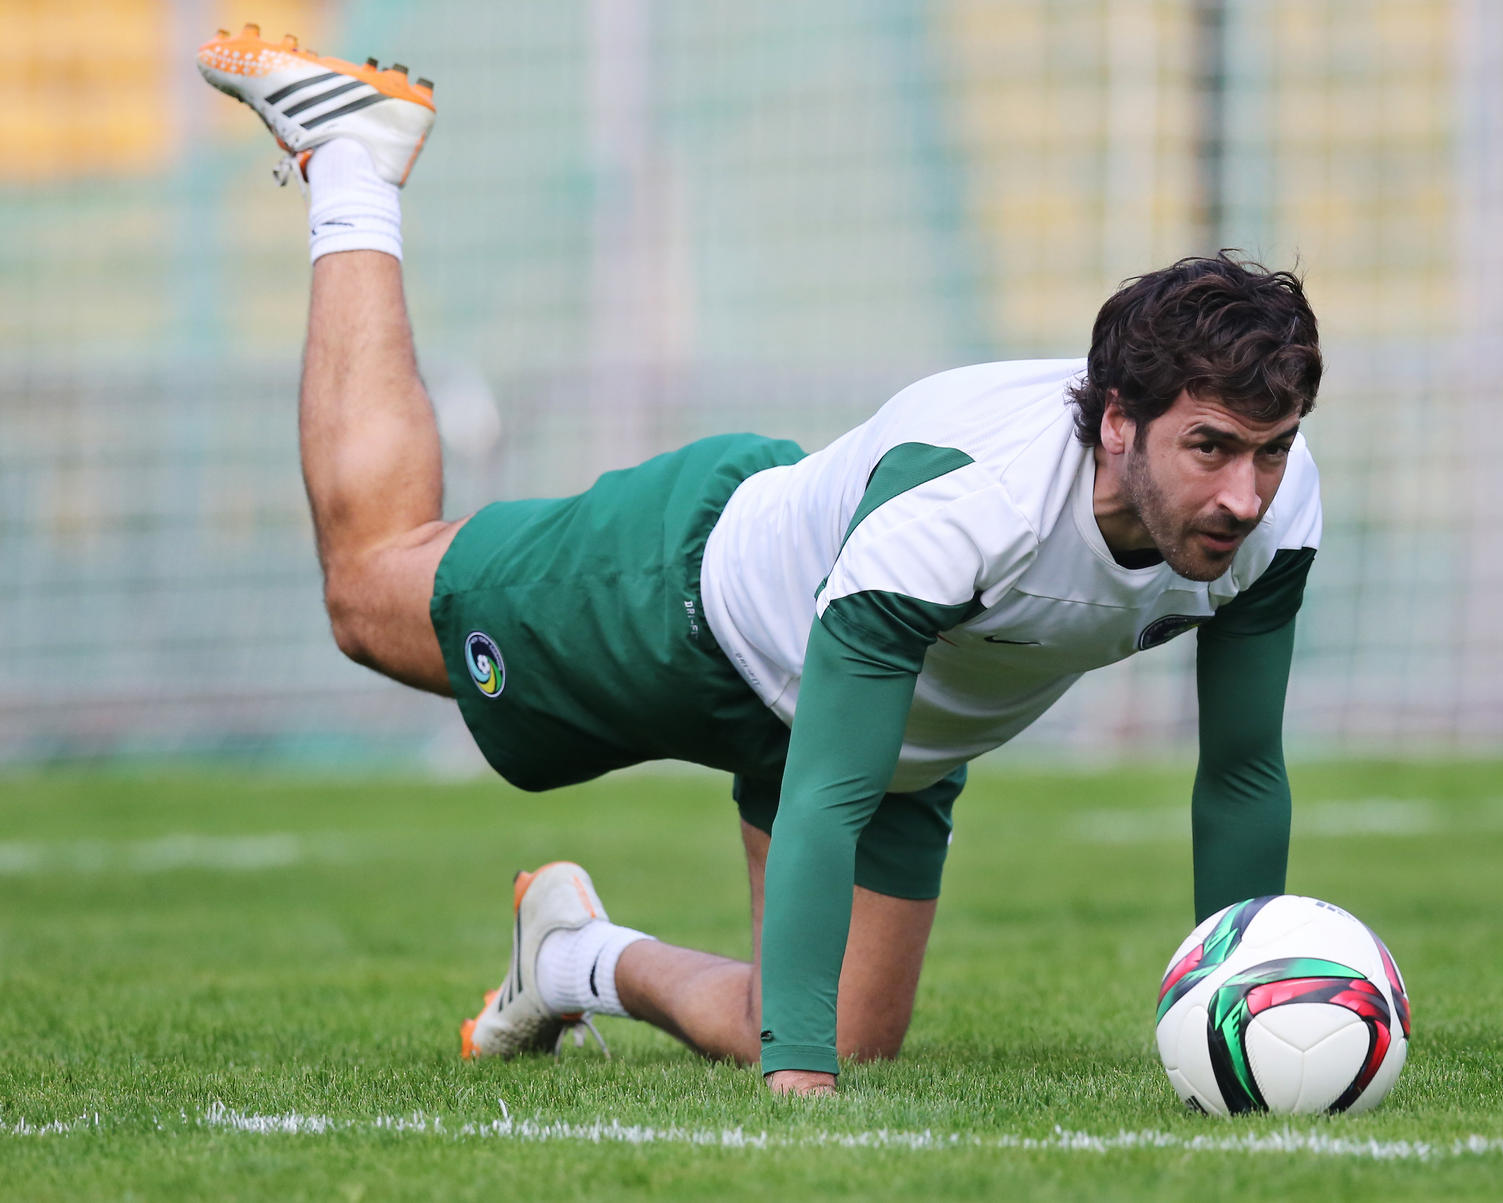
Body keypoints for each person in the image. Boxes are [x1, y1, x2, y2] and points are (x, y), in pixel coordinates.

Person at [197, 26, 1324, 1098]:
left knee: (850, 1035)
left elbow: (1237, 772)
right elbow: (821, 792)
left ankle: (575, 958)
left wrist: (1248, 1009)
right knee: (370, 586)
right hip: (688, 602)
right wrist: (798, 1080)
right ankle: (354, 159)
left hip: (891, 739)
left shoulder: (1272, 503)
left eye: (1268, 453)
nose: (1244, 493)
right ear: (1119, 423)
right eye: (1212, 449)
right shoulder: (972, 502)